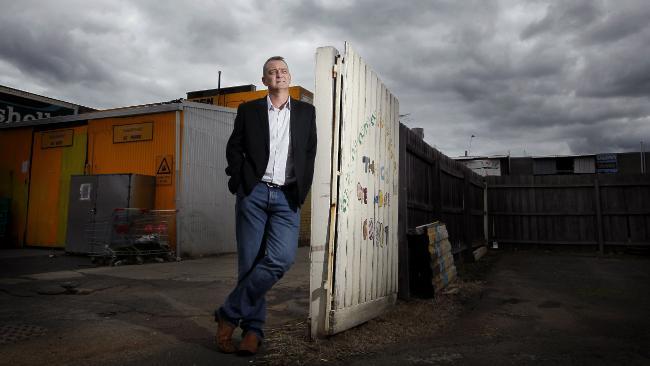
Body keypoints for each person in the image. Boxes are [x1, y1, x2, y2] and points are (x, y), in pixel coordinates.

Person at [215, 56, 317, 355]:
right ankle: (253, 331)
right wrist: (241, 182)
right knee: (249, 264)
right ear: (265, 80)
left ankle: (228, 313)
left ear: (290, 77)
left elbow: (309, 152)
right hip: (255, 193)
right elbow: (234, 148)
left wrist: (303, 188)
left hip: (287, 196)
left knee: (281, 259)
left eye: (283, 71)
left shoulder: (305, 112)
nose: (279, 75)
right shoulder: (248, 110)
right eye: (272, 72)